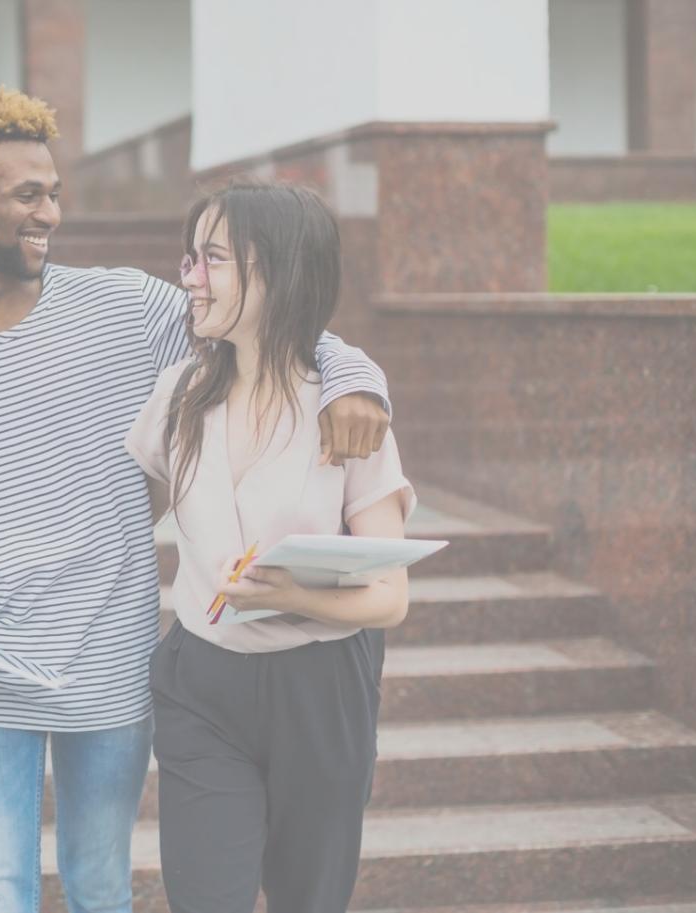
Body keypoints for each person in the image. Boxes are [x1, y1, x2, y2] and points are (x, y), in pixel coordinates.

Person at [0, 88, 394, 913]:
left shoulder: (120, 306)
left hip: (104, 653)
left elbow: (267, 318)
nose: (50, 213)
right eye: (26, 194)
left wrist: (355, 378)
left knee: (99, 885)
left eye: (55, 193)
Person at [126, 181, 415, 913]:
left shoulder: (347, 415)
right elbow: (127, 516)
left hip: (320, 689)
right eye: (189, 258)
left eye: (212, 259)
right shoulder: (177, 396)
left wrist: (291, 595)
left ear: (278, 271)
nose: (189, 277)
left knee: (307, 898)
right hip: (200, 684)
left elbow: (389, 596)